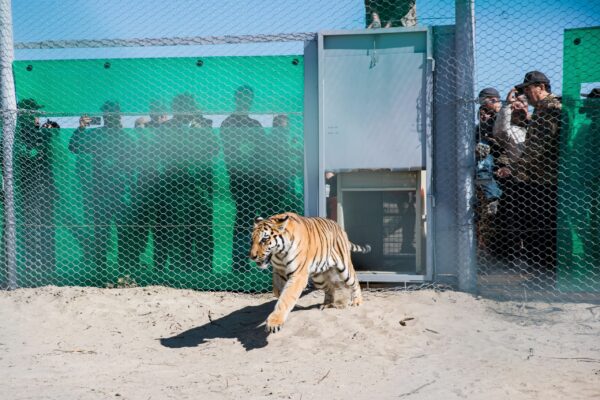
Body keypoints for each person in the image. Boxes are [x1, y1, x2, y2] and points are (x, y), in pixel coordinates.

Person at [69, 101, 137, 274]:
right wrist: (81, 128)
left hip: (118, 193)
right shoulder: (99, 135)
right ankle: (103, 270)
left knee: (119, 234)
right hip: (103, 192)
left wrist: (131, 191)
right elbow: (74, 147)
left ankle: (119, 269)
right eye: (108, 115)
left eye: (113, 114)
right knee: (103, 233)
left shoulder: (124, 138)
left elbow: (133, 167)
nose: (110, 117)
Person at [154, 93, 217, 270]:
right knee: (179, 230)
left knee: (203, 229)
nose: (187, 110)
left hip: (201, 187)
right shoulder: (166, 128)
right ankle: (180, 269)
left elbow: (214, 149)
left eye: (190, 106)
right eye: (183, 106)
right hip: (177, 188)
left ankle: (205, 269)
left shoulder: (203, 126)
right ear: (176, 109)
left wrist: (201, 132)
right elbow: (159, 153)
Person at [510, 71, 563, 273]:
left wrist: (517, 167)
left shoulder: (550, 108)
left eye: (527, 89)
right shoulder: (542, 109)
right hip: (541, 177)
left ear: (540, 87)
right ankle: (544, 271)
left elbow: (538, 145)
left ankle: (548, 272)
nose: (525, 94)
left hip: (548, 179)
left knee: (545, 227)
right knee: (541, 226)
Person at [221, 85, 271, 271]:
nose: (246, 102)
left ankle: (258, 259)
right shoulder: (228, 123)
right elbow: (230, 153)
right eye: (243, 98)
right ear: (237, 99)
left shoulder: (255, 124)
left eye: (249, 99)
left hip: (256, 180)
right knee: (243, 219)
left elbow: (262, 151)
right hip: (239, 179)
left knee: (256, 221)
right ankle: (239, 263)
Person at [14, 98, 58, 284]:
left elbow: (53, 136)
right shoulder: (19, 133)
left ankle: (48, 266)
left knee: (47, 226)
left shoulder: (40, 131)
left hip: (45, 185)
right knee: (32, 226)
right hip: (30, 186)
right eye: (34, 112)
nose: (37, 115)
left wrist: (46, 129)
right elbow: (29, 152)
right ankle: (33, 266)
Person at [493, 88, 530, 263]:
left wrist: (528, 116)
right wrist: (508, 106)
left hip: (544, 179)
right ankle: (517, 255)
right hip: (520, 180)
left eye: (523, 102)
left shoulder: (538, 123)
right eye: (517, 102)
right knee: (517, 218)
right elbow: (500, 131)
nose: (519, 105)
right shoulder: (512, 130)